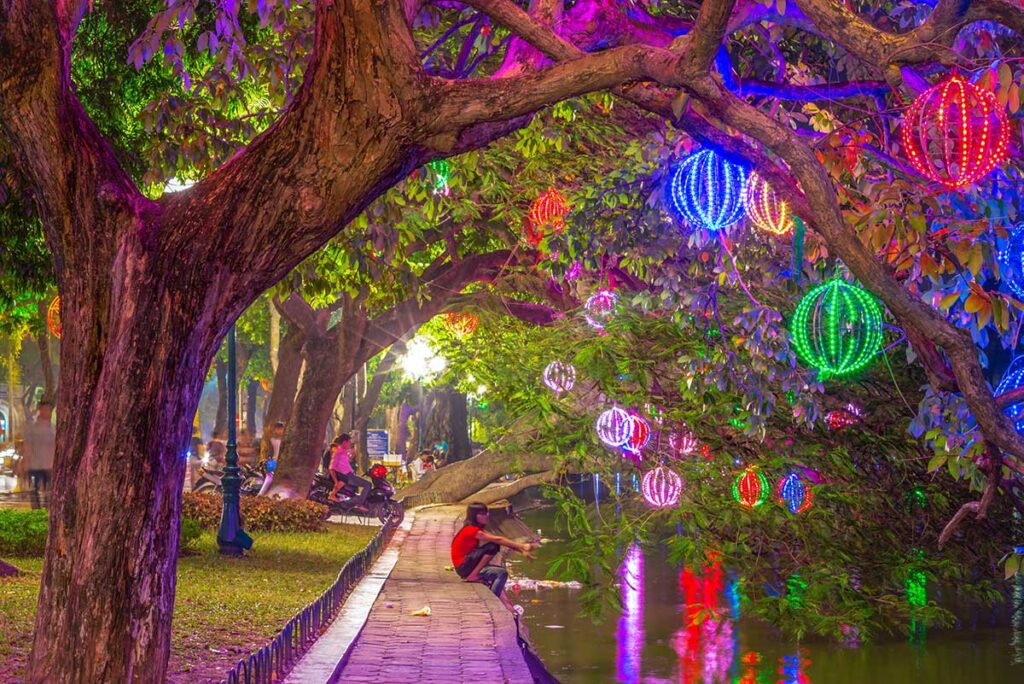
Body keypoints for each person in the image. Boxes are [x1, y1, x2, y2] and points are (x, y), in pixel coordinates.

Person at [451, 502, 535, 614]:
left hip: (465, 565)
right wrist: (522, 546)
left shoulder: (474, 528)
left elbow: (500, 540)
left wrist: (522, 551)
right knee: (493, 547)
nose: (487, 515)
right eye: (483, 513)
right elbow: (498, 540)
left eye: (487, 512)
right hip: (464, 566)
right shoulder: (472, 530)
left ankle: (500, 603)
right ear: (475, 516)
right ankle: (486, 592)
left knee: (500, 572)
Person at [23, 401, 56, 498]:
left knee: (49, 492)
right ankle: (36, 510)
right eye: (44, 409)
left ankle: (46, 510)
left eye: (49, 410)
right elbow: (28, 445)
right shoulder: (33, 429)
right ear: (40, 410)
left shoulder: (54, 429)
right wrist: (26, 462)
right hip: (35, 465)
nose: (46, 412)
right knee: (34, 491)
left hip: (49, 465)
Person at [328, 433, 370, 506]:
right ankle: (360, 503)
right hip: (347, 477)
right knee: (368, 485)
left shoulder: (343, 452)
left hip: (350, 475)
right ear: (344, 442)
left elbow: (345, 463)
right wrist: (336, 482)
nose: (349, 444)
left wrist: (352, 455)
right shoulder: (338, 452)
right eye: (349, 443)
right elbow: (331, 468)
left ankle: (356, 501)